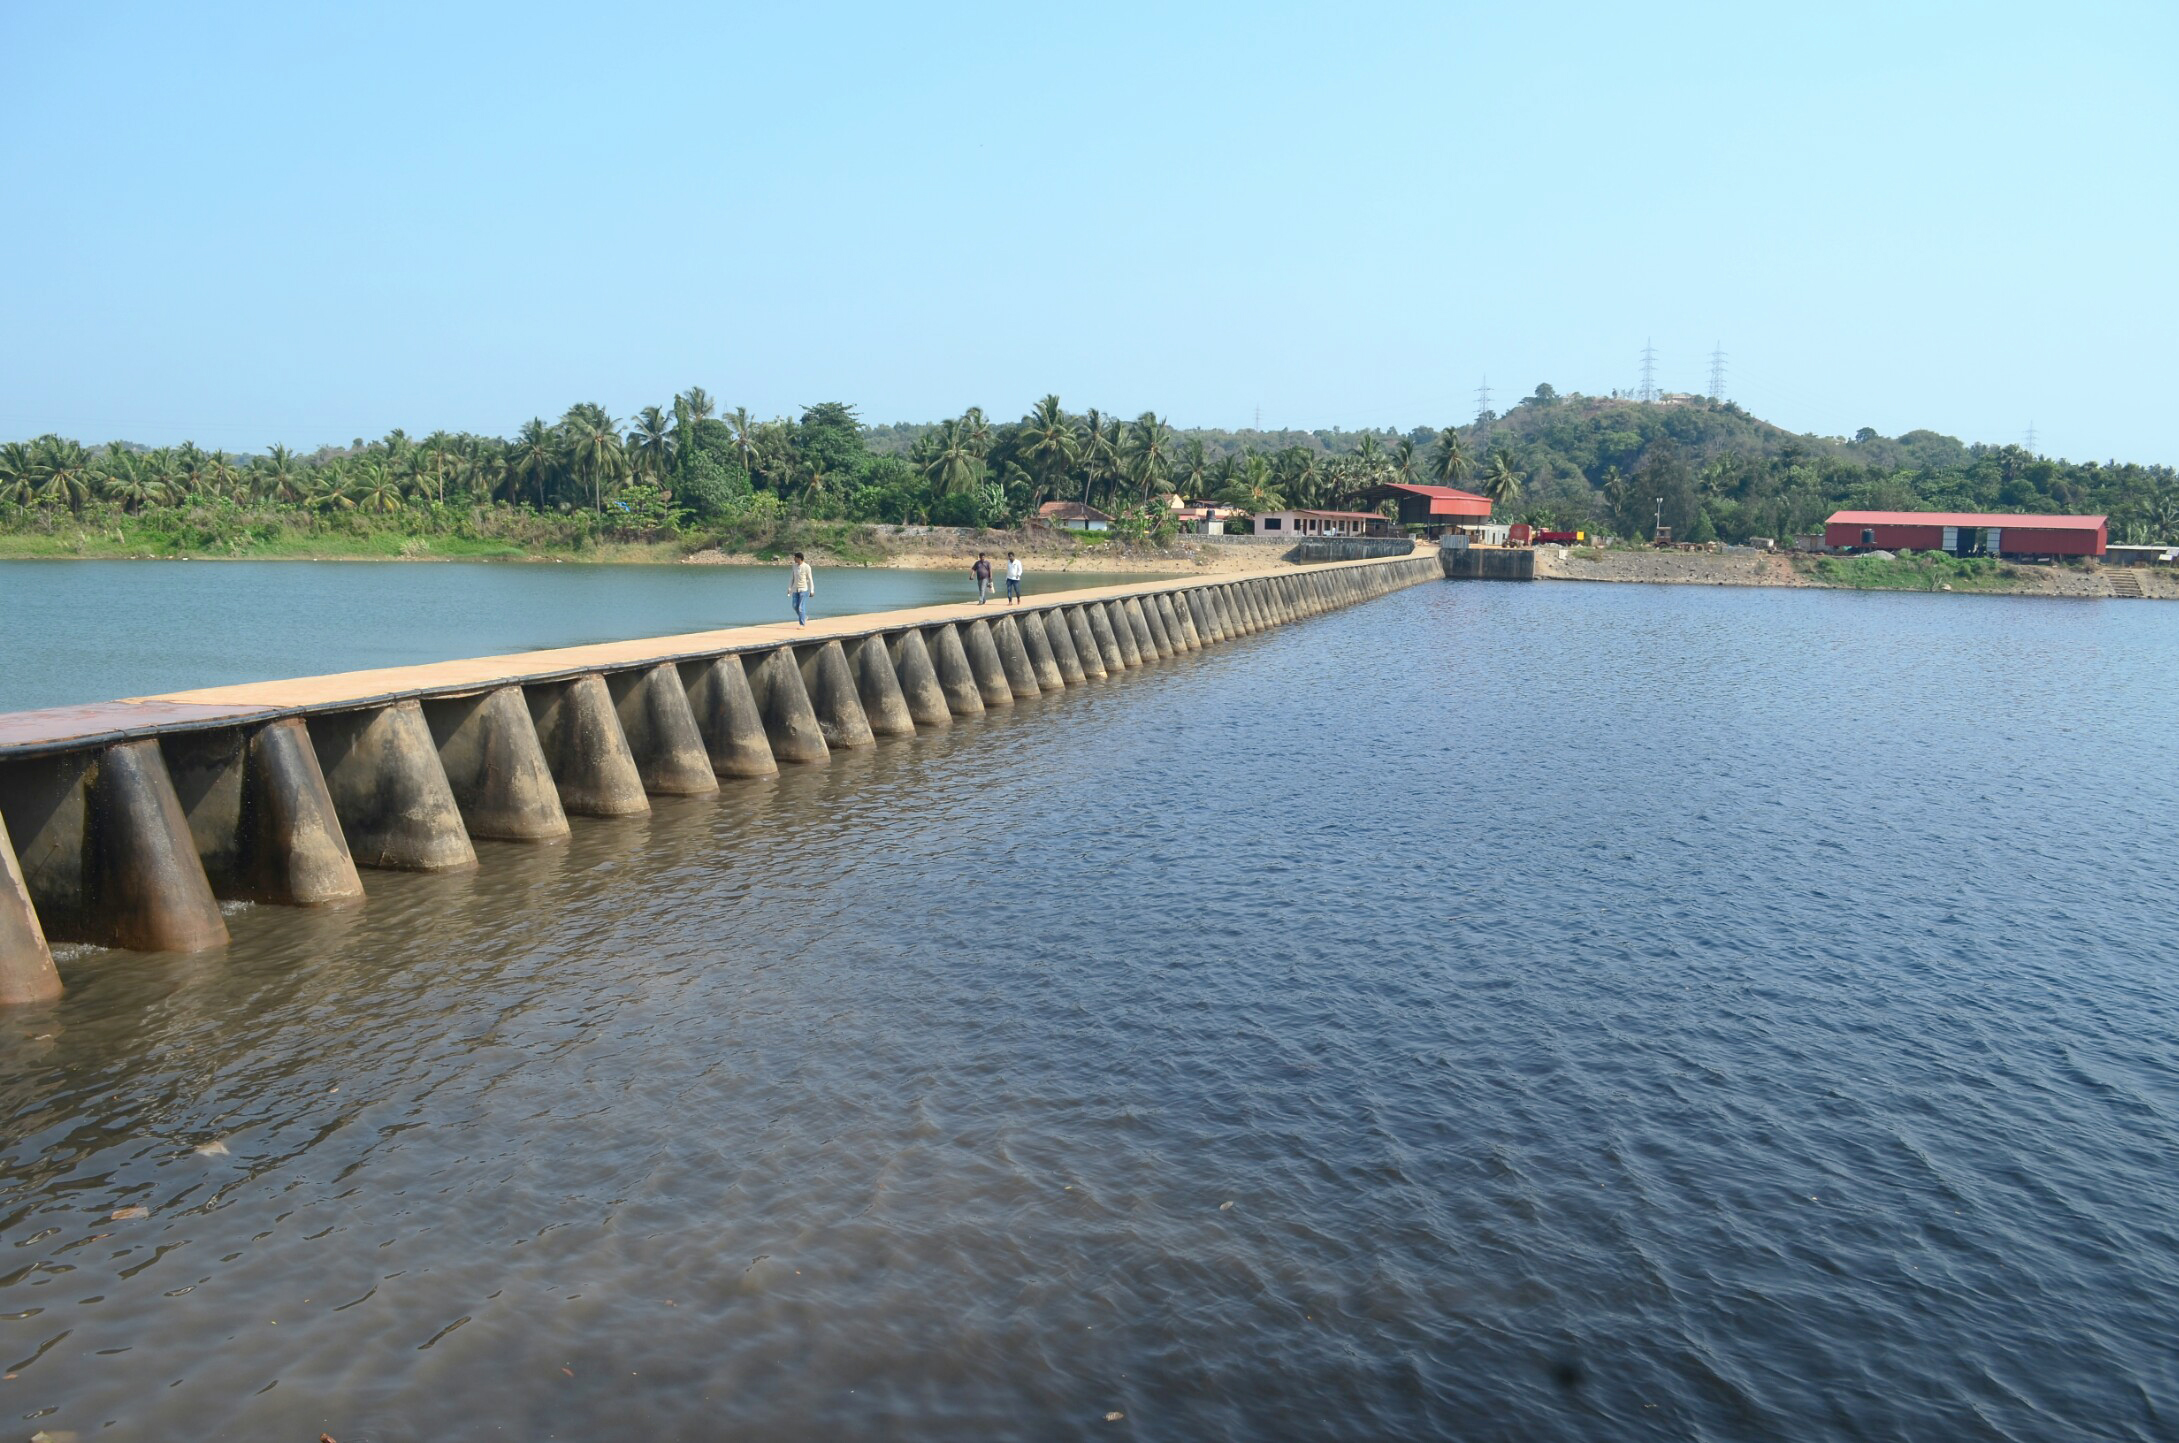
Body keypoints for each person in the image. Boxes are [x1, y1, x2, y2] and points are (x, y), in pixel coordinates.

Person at [788, 552, 814, 625]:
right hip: (795, 589)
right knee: (794, 606)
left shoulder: (807, 567)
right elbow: (792, 578)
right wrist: (789, 588)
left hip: (803, 590)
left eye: (795, 558)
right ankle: (804, 617)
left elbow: (810, 579)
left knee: (801, 607)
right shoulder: (794, 566)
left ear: (799, 558)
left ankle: (802, 624)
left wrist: (812, 590)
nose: (794, 559)